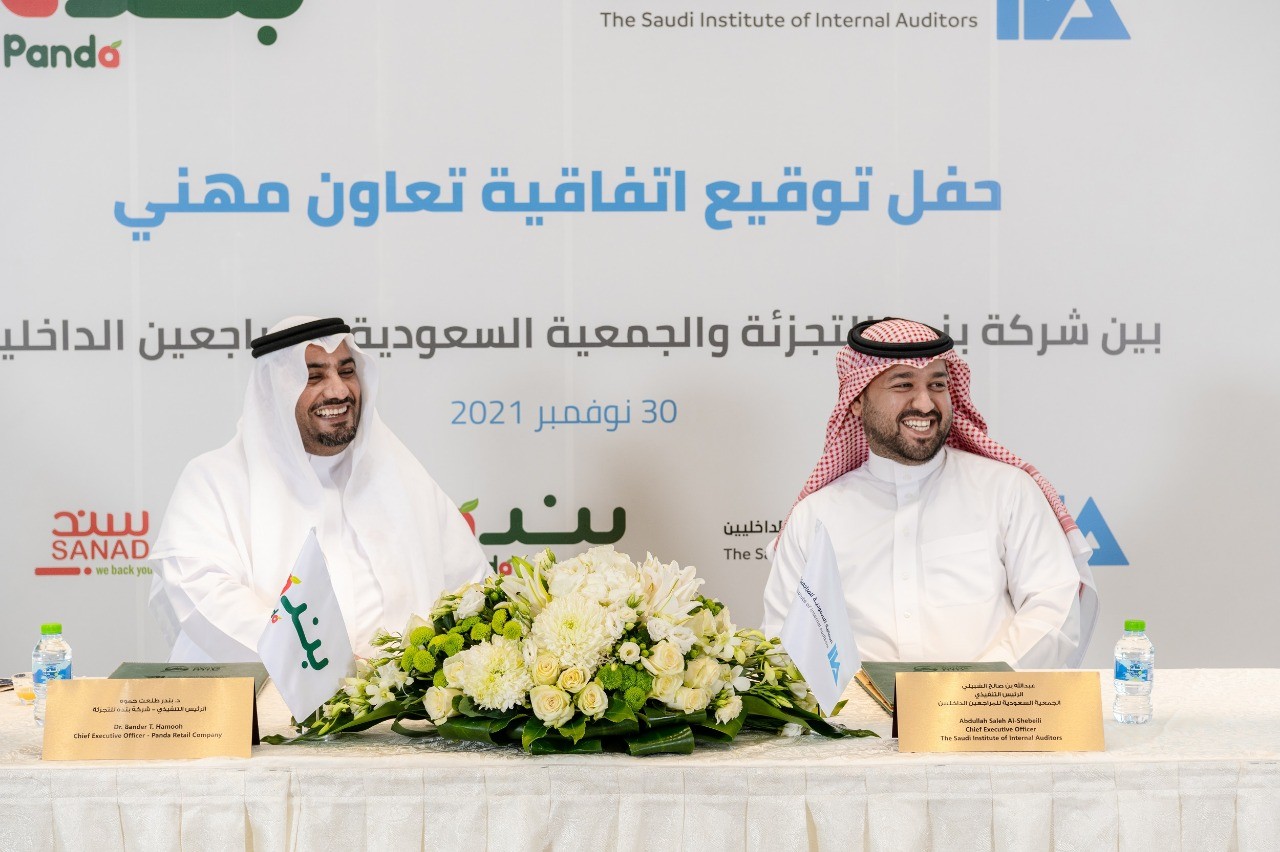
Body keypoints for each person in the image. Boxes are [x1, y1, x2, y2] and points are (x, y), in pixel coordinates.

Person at [762, 317, 1097, 668]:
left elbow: (1053, 606)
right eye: (903, 384)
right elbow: (785, 639)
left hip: (990, 700)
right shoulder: (815, 517)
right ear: (857, 399)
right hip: (857, 705)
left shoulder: (1007, 490)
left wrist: (975, 688)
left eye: (937, 384)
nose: (925, 404)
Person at [149, 316, 489, 663]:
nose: (339, 391)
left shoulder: (405, 478)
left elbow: (472, 590)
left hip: (402, 696)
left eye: (346, 371)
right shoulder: (214, 481)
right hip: (262, 693)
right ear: (275, 391)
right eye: (314, 377)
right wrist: (325, 667)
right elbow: (205, 598)